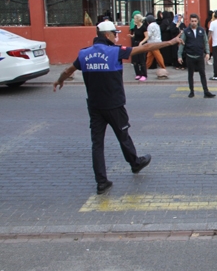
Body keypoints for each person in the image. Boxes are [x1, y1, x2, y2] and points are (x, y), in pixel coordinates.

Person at [52, 20, 180, 194]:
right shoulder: (115, 52)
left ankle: (101, 182)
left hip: (95, 106)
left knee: (97, 144)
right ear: (107, 35)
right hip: (114, 105)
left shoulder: (84, 54)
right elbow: (143, 48)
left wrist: (60, 80)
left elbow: (69, 70)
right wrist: (170, 42)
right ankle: (135, 163)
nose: (116, 35)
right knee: (123, 135)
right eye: (114, 33)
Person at [177, 14, 216, 99]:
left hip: (199, 56)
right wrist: (179, 55)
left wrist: (207, 53)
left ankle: (206, 91)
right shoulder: (186, 31)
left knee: (202, 74)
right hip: (190, 56)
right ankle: (191, 91)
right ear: (190, 21)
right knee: (190, 74)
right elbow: (182, 44)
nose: (194, 23)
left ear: (198, 21)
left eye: (195, 21)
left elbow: (205, 42)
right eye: (192, 21)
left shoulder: (201, 30)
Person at [144, 14, 169, 79]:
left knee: (157, 55)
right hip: (157, 42)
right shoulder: (157, 25)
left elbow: (148, 35)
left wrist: (144, 39)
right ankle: (145, 68)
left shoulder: (150, 26)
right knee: (149, 56)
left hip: (152, 43)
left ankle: (163, 67)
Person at [129, 13, 148, 81]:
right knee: (135, 60)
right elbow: (135, 35)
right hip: (135, 44)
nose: (134, 20)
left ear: (138, 19)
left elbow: (146, 37)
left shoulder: (143, 27)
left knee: (142, 60)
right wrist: (131, 36)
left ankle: (144, 74)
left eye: (135, 19)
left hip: (141, 44)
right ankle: (138, 74)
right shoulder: (135, 26)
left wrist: (142, 42)